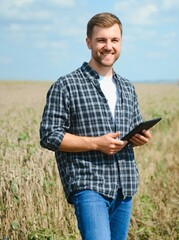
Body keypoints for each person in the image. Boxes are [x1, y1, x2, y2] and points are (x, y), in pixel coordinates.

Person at [39, 12, 152, 240]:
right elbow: (49, 135)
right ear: (89, 42)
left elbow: (130, 131)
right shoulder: (66, 86)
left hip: (124, 185)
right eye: (101, 40)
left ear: (121, 43)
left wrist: (140, 137)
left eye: (114, 40)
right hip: (88, 184)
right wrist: (96, 144)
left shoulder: (127, 88)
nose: (108, 46)